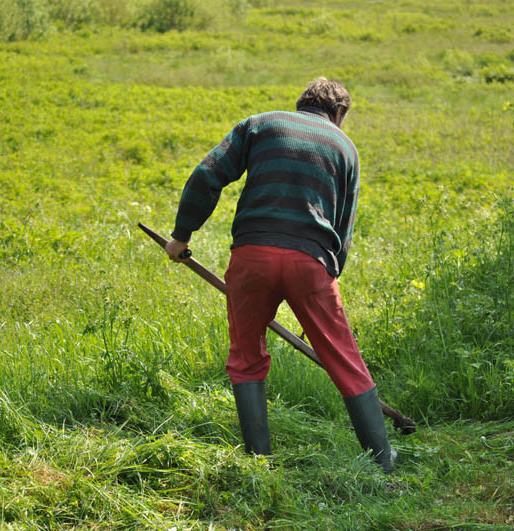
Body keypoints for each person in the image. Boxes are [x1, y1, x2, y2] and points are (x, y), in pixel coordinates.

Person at [164, 77, 394, 473]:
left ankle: (259, 463)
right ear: (339, 113)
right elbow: (344, 228)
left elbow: (206, 176)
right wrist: (325, 287)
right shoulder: (346, 148)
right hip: (311, 263)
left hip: (251, 256)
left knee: (245, 357)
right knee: (344, 359)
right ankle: (383, 460)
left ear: (302, 103)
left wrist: (181, 236)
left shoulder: (260, 124)